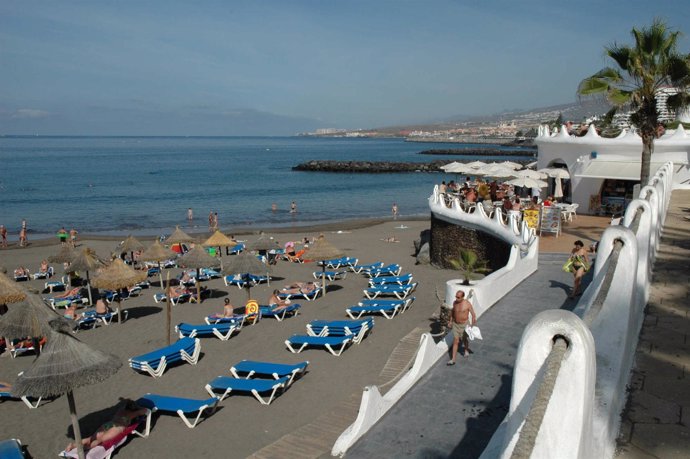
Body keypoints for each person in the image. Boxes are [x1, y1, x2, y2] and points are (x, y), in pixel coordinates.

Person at [64, 399, 149, 453]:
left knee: (91, 438)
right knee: (100, 440)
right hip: (117, 427)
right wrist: (139, 408)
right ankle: (84, 449)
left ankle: (73, 445)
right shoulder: (131, 414)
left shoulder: (121, 410)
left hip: (109, 424)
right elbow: (145, 410)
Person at [447, 290, 477, 365]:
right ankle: (453, 359)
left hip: (464, 325)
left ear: (462, 297)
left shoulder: (467, 304)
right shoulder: (455, 303)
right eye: (456, 296)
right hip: (456, 325)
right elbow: (453, 313)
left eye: (458, 297)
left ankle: (466, 350)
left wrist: (473, 321)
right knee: (455, 341)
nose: (456, 298)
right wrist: (450, 321)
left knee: (464, 339)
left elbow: (473, 314)